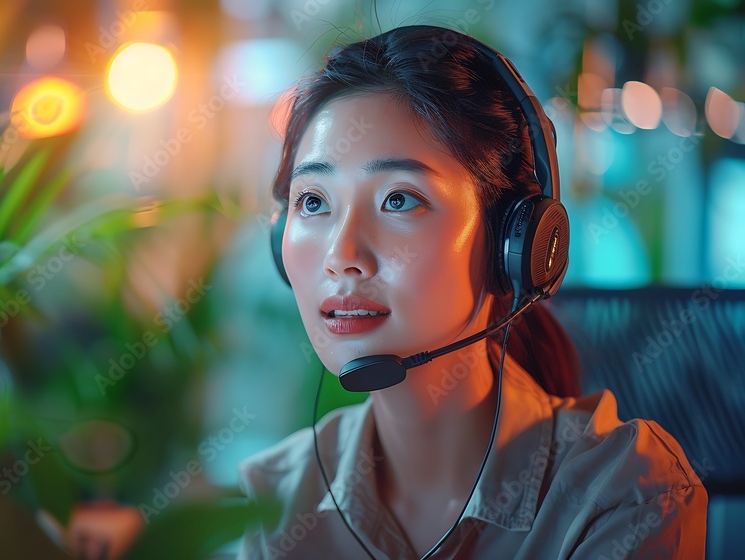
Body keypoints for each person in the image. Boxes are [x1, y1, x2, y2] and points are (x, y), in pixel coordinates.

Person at [235, 25, 708, 559]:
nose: (342, 255)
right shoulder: (275, 497)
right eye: (314, 202)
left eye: (398, 200)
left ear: (516, 243)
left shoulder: (624, 497)